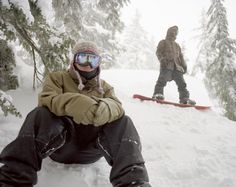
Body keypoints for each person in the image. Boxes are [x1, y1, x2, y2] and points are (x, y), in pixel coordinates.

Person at [0, 41, 151, 187]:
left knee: (123, 122)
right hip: (60, 145)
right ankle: (13, 179)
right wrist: (77, 103)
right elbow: (47, 99)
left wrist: (101, 108)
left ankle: (134, 182)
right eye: (82, 58)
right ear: (74, 60)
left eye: (92, 59)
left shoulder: (105, 87)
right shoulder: (57, 78)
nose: (87, 64)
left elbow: (117, 106)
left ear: (98, 62)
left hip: (93, 148)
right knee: (40, 114)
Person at [152, 26, 196, 105]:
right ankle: (157, 94)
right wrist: (162, 60)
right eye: (172, 31)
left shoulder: (177, 46)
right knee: (162, 80)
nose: (174, 33)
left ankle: (184, 98)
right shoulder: (163, 42)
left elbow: (181, 56)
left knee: (182, 83)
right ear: (168, 32)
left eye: (175, 32)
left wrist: (184, 65)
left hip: (177, 68)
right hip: (167, 65)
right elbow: (158, 52)